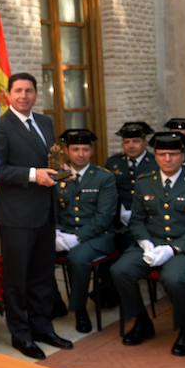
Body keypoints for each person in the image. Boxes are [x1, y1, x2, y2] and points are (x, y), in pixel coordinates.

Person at [0, 72, 73, 359]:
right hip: (16, 217)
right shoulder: (0, 127)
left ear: (36, 94)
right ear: (9, 94)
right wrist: (35, 175)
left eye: (29, 91)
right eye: (18, 91)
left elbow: (50, 159)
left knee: (42, 277)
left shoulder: (46, 122)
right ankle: (21, 335)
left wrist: (62, 172)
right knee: (17, 279)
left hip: (45, 212)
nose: (24, 96)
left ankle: (43, 327)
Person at [111, 132, 185, 356]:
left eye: (173, 154)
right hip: (152, 243)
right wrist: (145, 243)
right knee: (120, 270)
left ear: (183, 156)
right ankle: (141, 321)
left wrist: (172, 249)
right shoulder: (144, 182)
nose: (167, 159)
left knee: (174, 277)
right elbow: (137, 220)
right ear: (155, 156)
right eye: (162, 154)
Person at [53, 129, 117, 332]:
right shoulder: (58, 176)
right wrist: (55, 232)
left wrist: (77, 237)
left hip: (98, 236)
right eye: (75, 149)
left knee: (78, 257)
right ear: (66, 151)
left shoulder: (104, 178)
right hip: (64, 234)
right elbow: (52, 210)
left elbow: (104, 217)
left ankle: (79, 310)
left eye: (85, 149)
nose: (81, 153)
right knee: (34, 252)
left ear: (91, 151)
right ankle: (53, 303)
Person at [105, 121, 157, 244]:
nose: (131, 146)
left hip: (149, 221)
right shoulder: (113, 162)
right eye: (127, 142)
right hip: (119, 223)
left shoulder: (155, 162)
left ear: (145, 143)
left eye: (136, 141)